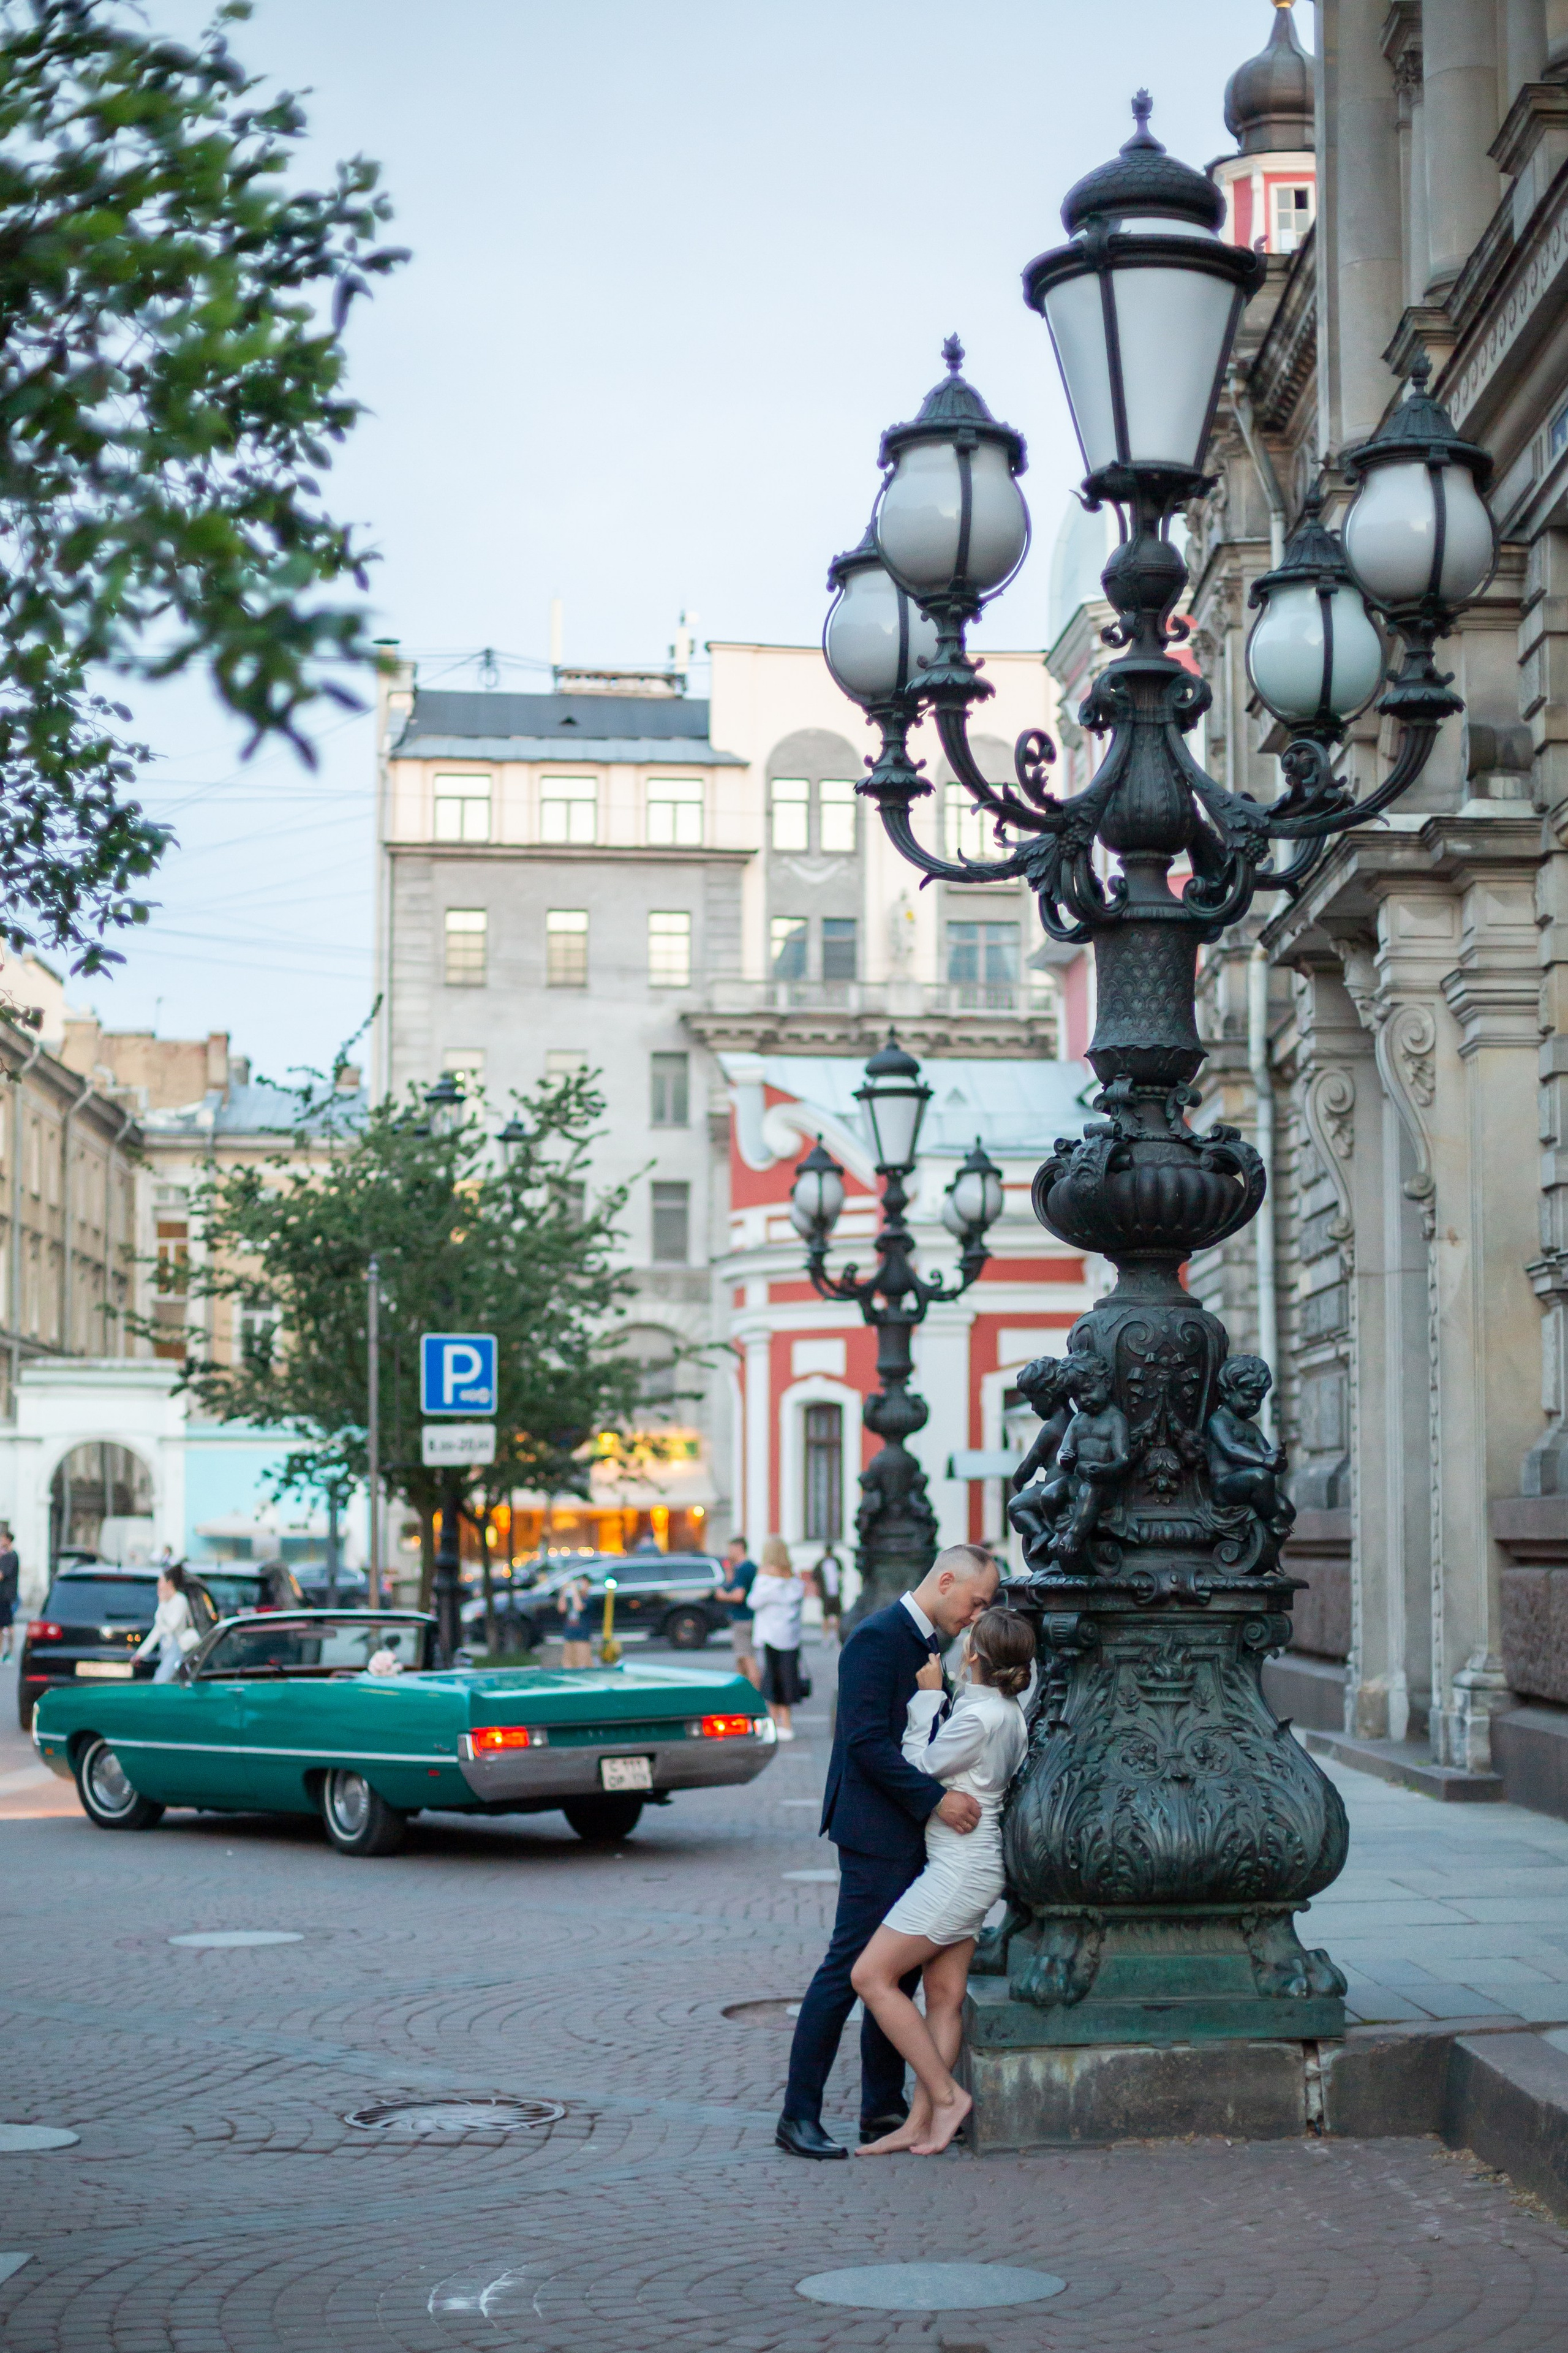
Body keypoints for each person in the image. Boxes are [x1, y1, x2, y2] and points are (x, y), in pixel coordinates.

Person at [775, 1541, 1000, 2161]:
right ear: (946, 1579)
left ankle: (882, 2107)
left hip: (903, 1831)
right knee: (848, 1970)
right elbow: (865, 1744)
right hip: (875, 1832)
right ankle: (798, 2115)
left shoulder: (926, 1641)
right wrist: (935, 1800)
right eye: (976, 1600)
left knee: (891, 1974)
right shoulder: (878, 1637)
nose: (977, 1615)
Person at [852, 1606, 1036, 2156]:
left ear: (974, 1654)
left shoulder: (977, 1717)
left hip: (958, 1871)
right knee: (944, 1995)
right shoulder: (1007, 1712)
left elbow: (918, 1767)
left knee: (871, 1976)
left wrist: (927, 1698)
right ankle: (920, 2122)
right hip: (973, 1868)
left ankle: (946, 2095)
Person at [750, 1536, 806, 1740]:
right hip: (790, 1636)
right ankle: (787, 1723)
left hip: (770, 1636)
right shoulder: (793, 1578)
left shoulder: (765, 1579)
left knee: (771, 1680)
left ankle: (774, 1723)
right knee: (788, 1679)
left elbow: (753, 1602)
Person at [134, 1565, 200, 1684]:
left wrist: (163, 1605)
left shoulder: (180, 1600)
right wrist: (141, 1653)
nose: (159, 1585)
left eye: (161, 1582)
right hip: (166, 1651)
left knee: (161, 1681)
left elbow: (171, 1626)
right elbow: (157, 1631)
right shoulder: (165, 1603)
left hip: (177, 1650)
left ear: (169, 1583)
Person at [715, 1535, 759, 1686]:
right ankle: (740, 1695)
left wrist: (723, 1595)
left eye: (731, 1549)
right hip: (751, 1617)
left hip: (742, 1618)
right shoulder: (752, 1567)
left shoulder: (742, 1569)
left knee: (747, 1658)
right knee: (741, 1660)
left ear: (739, 1548)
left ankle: (754, 1695)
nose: (729, 1552)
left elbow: (739, 1595)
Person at [557, 1573, 594, 1669]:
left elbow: (579, 1607)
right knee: (568, 1664)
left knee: (583, 1664)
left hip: (582, 1637)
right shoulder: (572, 1599)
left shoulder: (588, 1600)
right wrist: (564, 1591)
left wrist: (574, 1590)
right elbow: (561, 1609)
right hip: (570, 1635)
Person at [815, 1546, 843, 1645]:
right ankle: (826, 1637)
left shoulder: (836, 1562)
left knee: (838, 1616)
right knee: (826, 1616)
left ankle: (836, 1637)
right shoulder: (821, 1563)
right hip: (826, 1594)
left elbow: (841, 1572)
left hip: (836, 1593)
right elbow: (815, 1576)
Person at [0, 1525, 18, 1663]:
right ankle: (2, 1653)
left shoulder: (11, 1556)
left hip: (6, 1596)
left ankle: (10, 1653)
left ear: (8, 1540)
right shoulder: (6, 1555)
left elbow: (2, 1575)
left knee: (9, 1625)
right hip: (3, 1595)